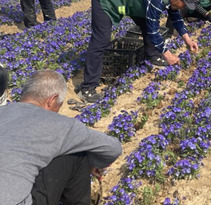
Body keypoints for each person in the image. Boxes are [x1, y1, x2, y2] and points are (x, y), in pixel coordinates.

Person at [0, 70, 122, 205]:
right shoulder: (62, 125)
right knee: (76, 153)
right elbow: (113, 148)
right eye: (59, 105)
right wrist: (93, 163)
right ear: (52, 100)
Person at [79, 0, 199, 103]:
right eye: (184, 4)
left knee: (147, 23)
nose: (184, 7)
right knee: (101, 40)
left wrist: (187, 39)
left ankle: (153, 55)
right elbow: (153, 31)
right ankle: (87, 88)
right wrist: (168, 55)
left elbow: (175, 15)